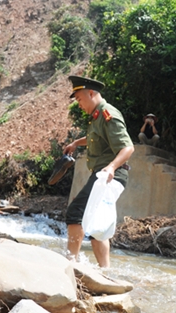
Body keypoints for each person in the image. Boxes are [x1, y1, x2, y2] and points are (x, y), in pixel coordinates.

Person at [61, 75, 135, 268]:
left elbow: (128, 148)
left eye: (79, 99)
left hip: (110, 175)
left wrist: (111, 167)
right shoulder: (97, 117)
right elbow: (95, 136)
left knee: (76, 212)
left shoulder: (108, 113)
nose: (78, 104)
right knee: (97, 224)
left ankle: (70, 264)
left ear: (91, 93)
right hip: (104, 175)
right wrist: (77, 142)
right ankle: (105, 271)